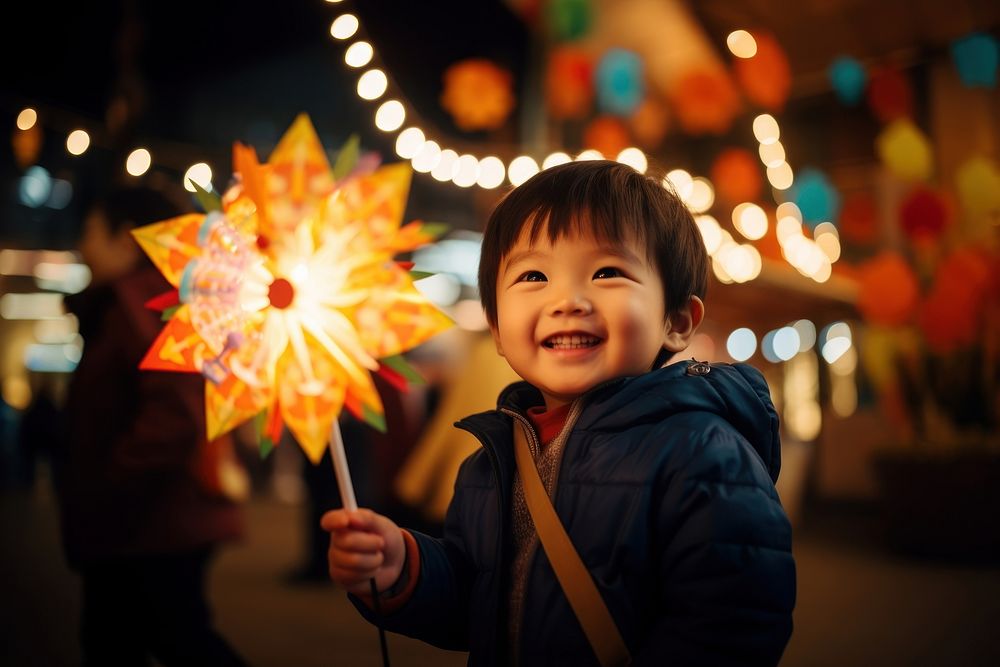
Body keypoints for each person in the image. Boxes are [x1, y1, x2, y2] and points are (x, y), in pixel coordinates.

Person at [323, 160, 796, 665]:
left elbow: (734, 625)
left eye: (607, 272)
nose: (567, 300)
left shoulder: (705, 456)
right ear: (498, 328)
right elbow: (476, 602)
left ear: (677, 321)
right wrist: (404, 568)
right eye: (533, 275)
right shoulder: (491, 462)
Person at [52, 185, 248, 666]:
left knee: (158, 638)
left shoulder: (140, 304)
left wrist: (109, 484)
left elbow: (174, 414)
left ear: (126, 237)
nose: (83, 245)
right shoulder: (149, 300)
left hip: (147, 522)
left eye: (91, 231)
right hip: (154, 520)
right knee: (146, 637)